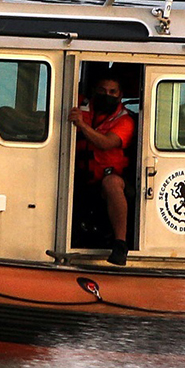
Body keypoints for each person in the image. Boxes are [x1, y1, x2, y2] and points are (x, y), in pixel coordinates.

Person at [70, 75, 136, 266]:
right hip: (80, 176)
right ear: (93, 91)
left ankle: (120, 244)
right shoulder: (79, 104)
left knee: (112, 183)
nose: (106, 95)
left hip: (112, 178)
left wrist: (81, 125)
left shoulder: (125, 121)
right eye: (102, 90)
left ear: (120, 95)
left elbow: (107, 143)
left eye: (112, 92)